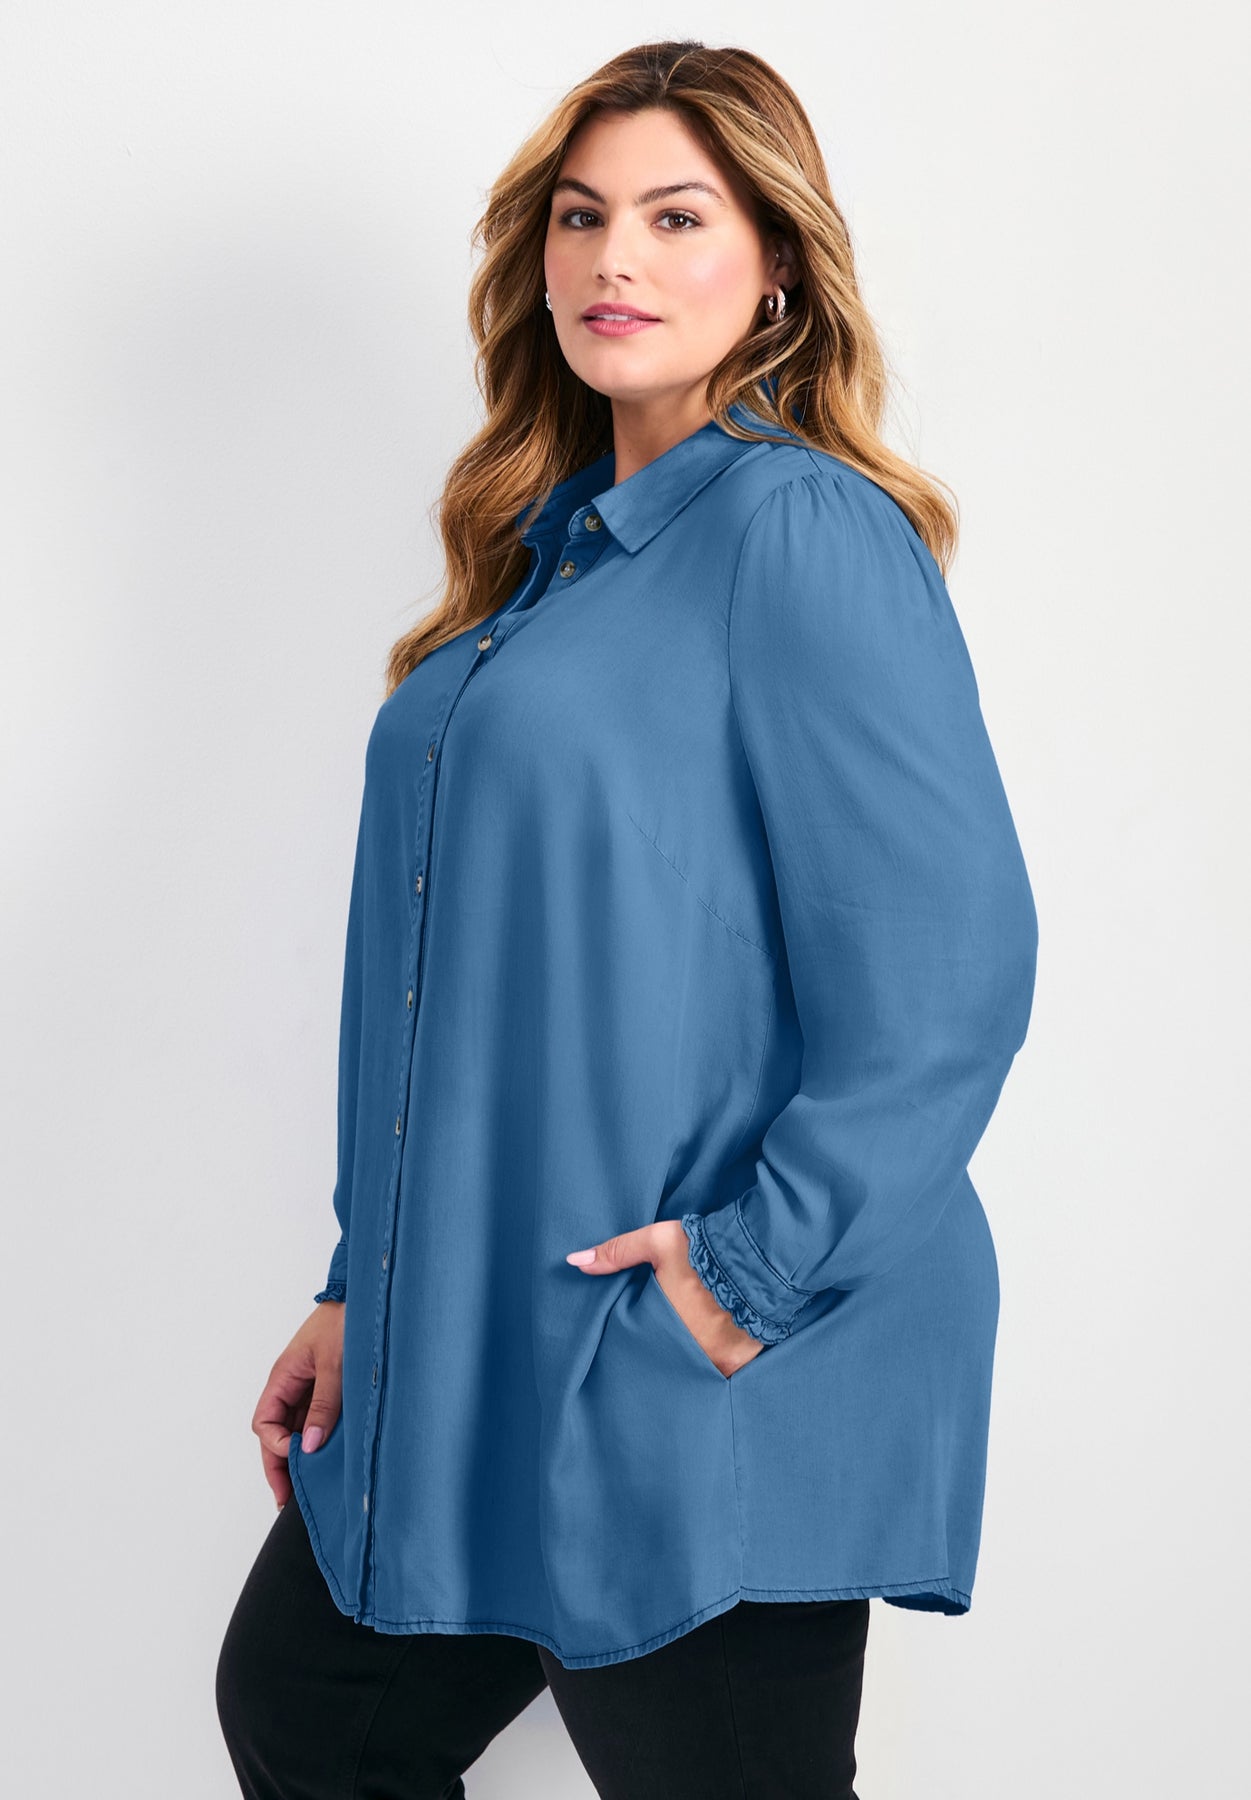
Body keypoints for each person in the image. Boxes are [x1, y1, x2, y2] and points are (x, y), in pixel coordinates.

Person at [215, 38, 1039, 1800]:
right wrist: (364, 1287)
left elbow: (949, 970)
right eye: (582, 218)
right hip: (476, 1332)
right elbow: (446, 989)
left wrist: (739, 1283)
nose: (615, 260)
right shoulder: (545, 561)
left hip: (694, 1354)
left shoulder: (803, 533)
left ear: (778, 265)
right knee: (310, 1708)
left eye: (678, 217)